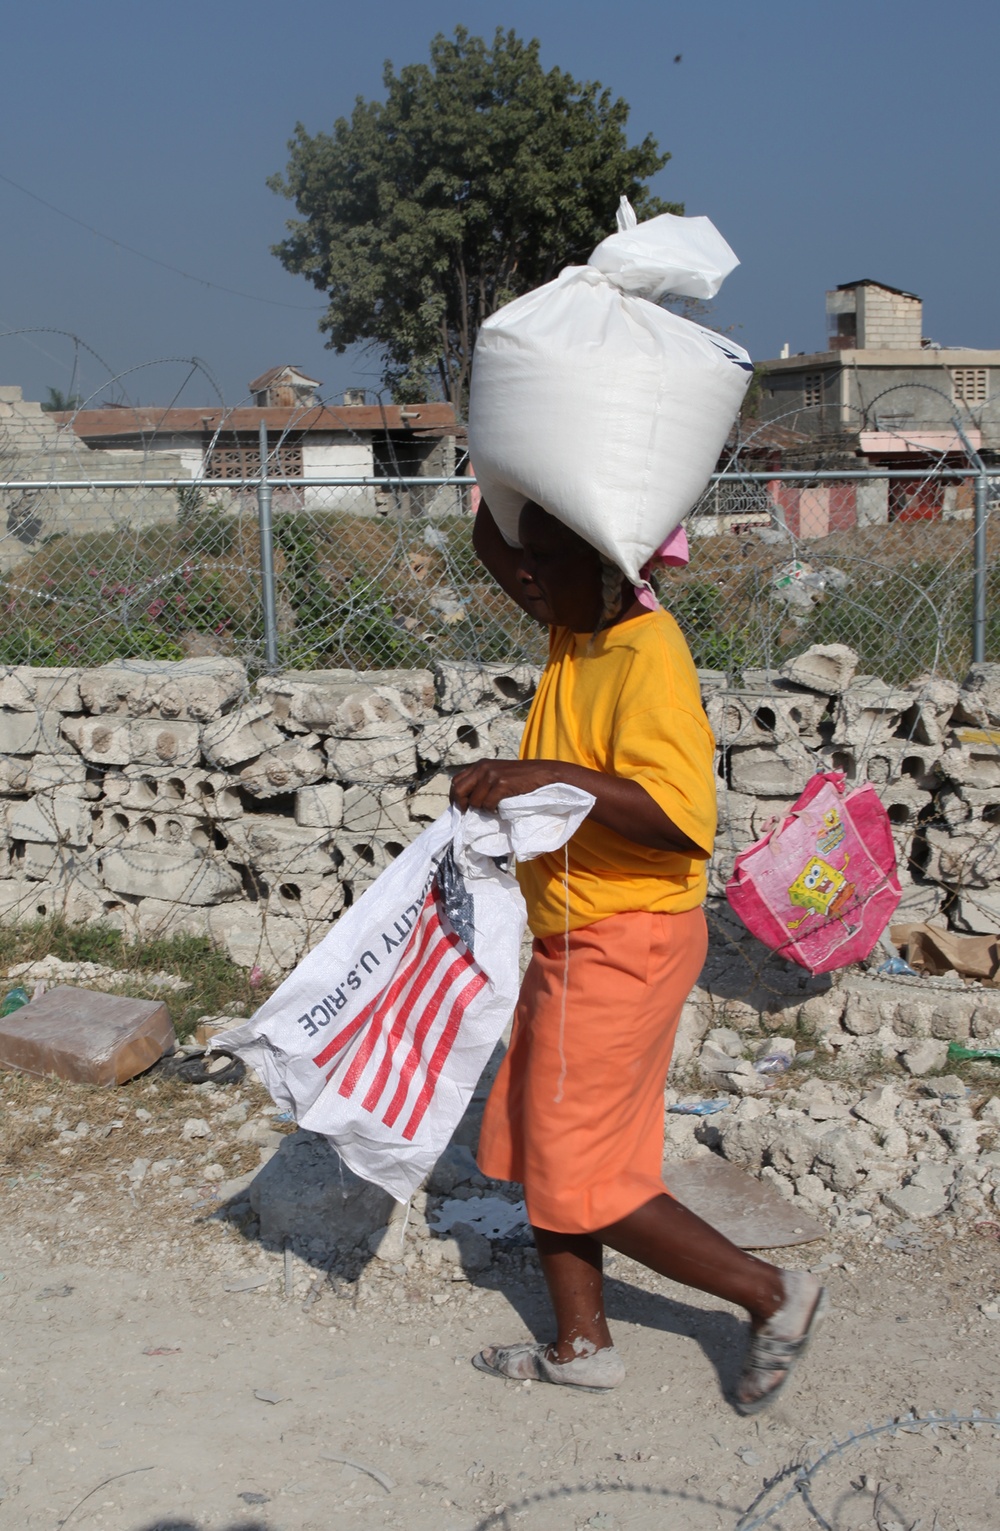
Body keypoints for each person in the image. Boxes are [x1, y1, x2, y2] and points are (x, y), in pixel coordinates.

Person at [449, 499, 826, 1414]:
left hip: (625, 937)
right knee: (550, 1143)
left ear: (614, 565)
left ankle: (775, 1296)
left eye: (549, 561)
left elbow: (677, 821)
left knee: (581, 1168)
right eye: (528, 562)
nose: (525, 578)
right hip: (576, 934)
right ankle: (581, 1343)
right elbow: (494, 543)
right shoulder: (575, 624)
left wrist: (541, 775)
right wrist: (502, 465)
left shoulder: (646, 652)